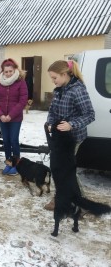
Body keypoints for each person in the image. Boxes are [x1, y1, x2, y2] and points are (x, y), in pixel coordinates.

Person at [44, 59, 95, 210]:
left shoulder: (77, 90)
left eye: (54, 78)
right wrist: (49, 123)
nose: (53, 81)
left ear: (65, 74)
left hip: (73, 138)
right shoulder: (59, 90)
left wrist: (71, 125)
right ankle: (59, 198)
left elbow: (90, 115)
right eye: (51, 78)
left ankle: (81, 203)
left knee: (67, 170)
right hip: (59, 138)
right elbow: (52, 111)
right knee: (58, 168)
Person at [0, 58, 28, 175]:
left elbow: (22, 101)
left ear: (15, 70)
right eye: (6, 71)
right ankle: (9, 163)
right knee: (6, 141)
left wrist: (10, 115)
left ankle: (16, 164)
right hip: (2, 118)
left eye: (10, 71)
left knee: (13, 140)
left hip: (15, 118)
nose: (8, 74)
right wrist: (1, 114)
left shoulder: (21, 82)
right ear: (3, 72)